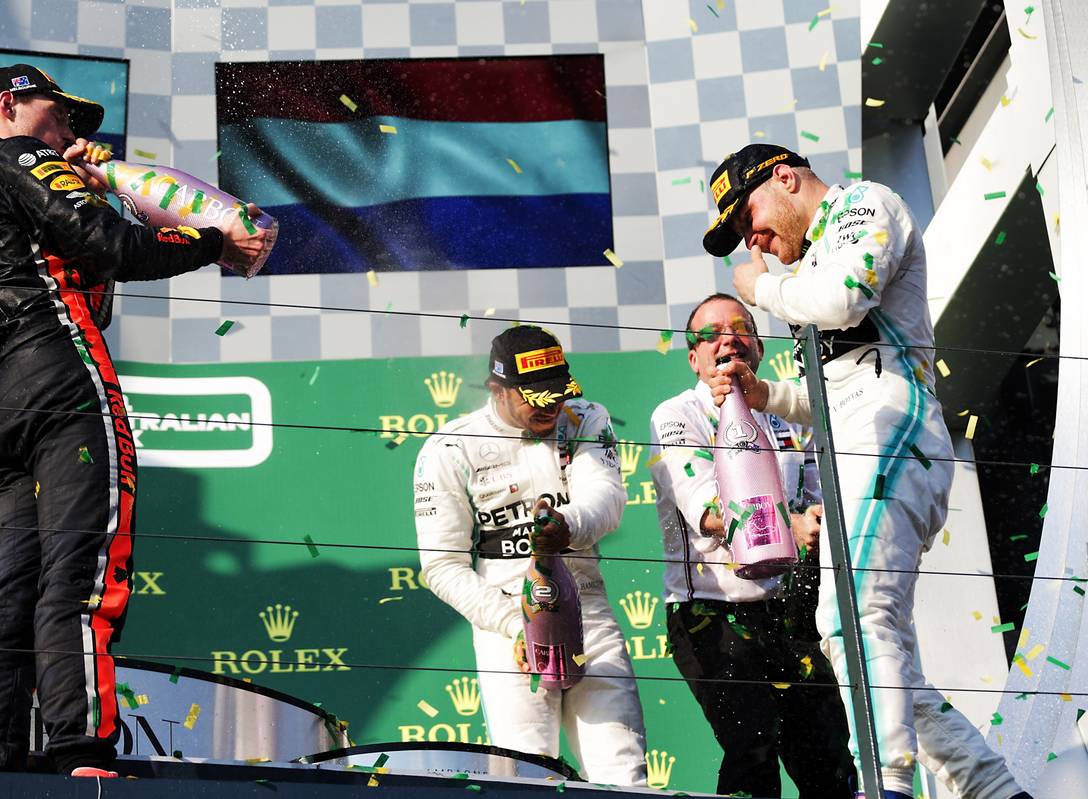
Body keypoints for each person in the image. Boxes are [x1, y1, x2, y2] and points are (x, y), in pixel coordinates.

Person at [0, 64, 267, 776]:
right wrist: (214, 239)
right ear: (10, 104)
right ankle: (81, 746)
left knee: (11, 585)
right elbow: (115, 247)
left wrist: (98, 185)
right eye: (58, 115)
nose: (67, 133)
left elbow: (90, 284)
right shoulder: (15, 155)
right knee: (82, 566)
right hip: (62, 377)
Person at [702, 143, 1028, 799]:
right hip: (858, 443)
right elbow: (828, 395)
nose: (752, 239)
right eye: (739, 233)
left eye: (748, 217)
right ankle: (997, 790)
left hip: (893, 431)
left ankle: (885, 785)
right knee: (877, 654)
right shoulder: (808, 270)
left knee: (850, 616)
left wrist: (763, 290)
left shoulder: (863, 204)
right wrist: (767, 395)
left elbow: (847, 299)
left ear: (785, 178)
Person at [413, 326, 647, 786]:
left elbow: (606, 499)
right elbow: (441, 566)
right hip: (506, 622)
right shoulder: (449, 447)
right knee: (528, 775)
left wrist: (566, 526)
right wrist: (513, 624)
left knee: (622, 773)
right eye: (536, 398)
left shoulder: (585, 418)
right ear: (497, 390)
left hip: (586, 609)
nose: (551, 406)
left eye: (558, 393)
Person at [649, 293, 855, 798]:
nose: (729, 339)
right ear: (694, 358)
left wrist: (815, 520)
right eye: (711, 334)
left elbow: (819, 498)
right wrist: (790, 523)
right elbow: (709, 511)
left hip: (795, 610)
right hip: (711, 613)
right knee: (753, 747)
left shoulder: (789, 412)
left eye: (741, 327)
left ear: (759, 347)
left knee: (830, 760)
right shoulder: (675, 415)